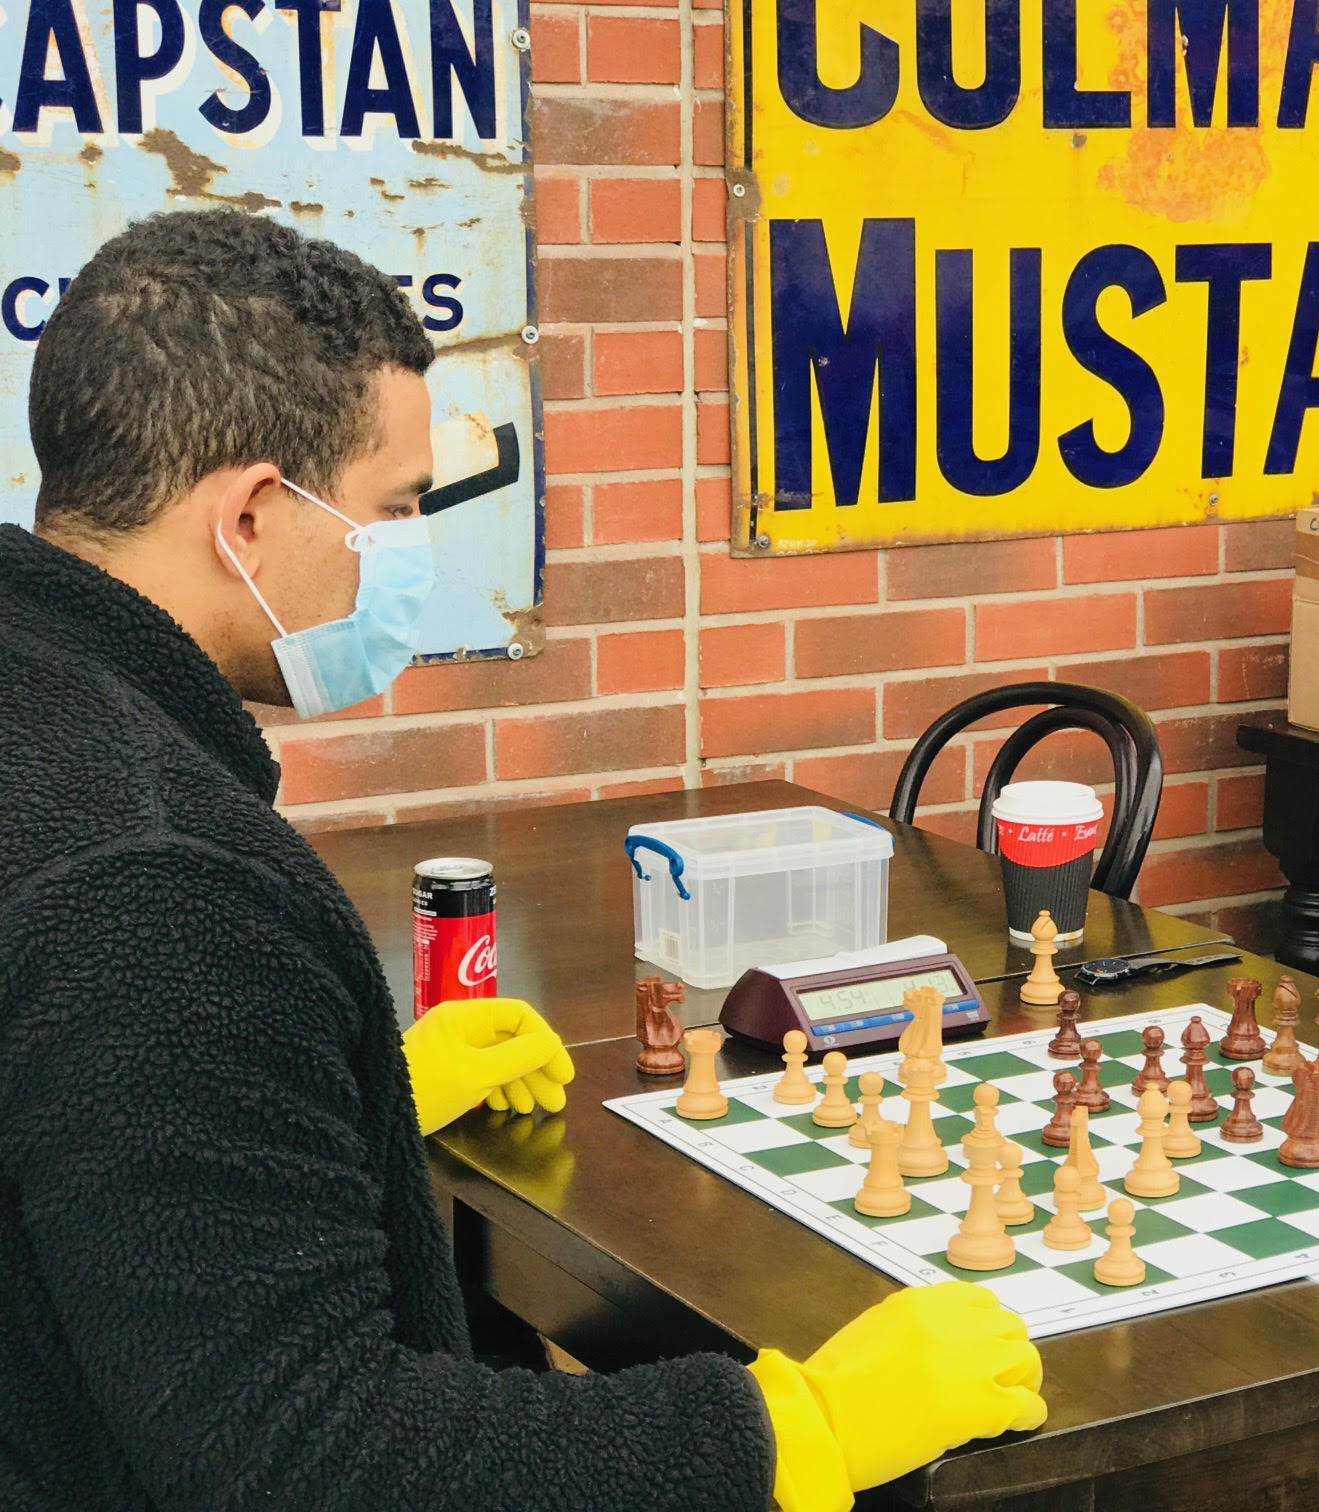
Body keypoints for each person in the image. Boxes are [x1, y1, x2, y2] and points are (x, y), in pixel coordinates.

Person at [0, 208, 1043, 1511]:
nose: (409, 549)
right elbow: (304, 1458)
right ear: (252, 517)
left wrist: (345, 1105)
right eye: (395, 507)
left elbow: (87, 1156)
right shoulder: (162, 889)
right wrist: (784, 1433)